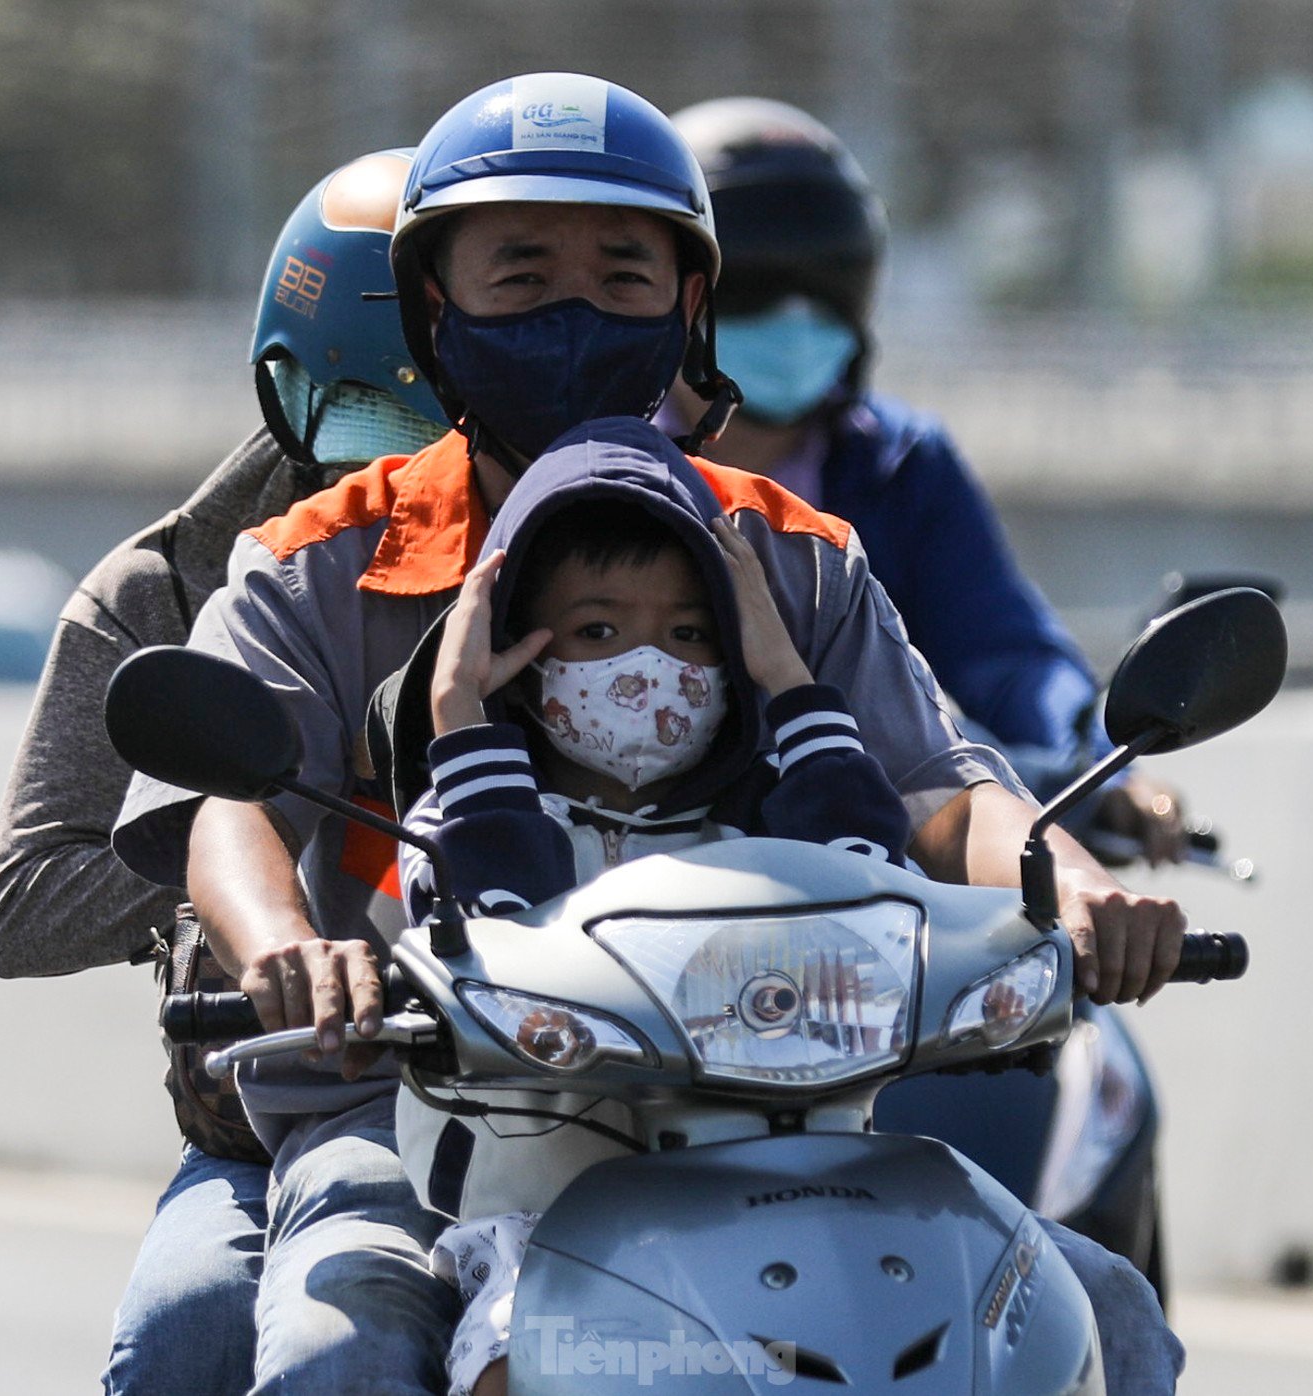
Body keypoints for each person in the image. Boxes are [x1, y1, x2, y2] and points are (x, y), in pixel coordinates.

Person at [113, 71, 1189, 1393]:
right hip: (421, 1121)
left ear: (688, 306)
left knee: (1103, 1321)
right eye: (521, 272)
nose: (573, 309)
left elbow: (947, 790)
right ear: (435, 309)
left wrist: (1080, 896)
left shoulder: (793, 556)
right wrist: (290, 954)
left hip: (775, 1119)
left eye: (622, 274)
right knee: (314, 1354)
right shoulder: (316, 561)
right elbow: (233, 805)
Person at [0, 149, 448, 1395]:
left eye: (427, 422)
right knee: (189, 1330)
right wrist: (247, 842)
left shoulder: (598, 558)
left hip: (559, 1090)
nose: (384, 466)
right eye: (352, 418)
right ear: (279, 383)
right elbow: (25, 903)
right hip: (279, 1100)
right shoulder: (166, 587)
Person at [668, 96, 1185, 860]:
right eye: (754, 283)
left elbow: (1004, 652)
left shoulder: (900, 464)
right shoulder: (599, 468)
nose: (795, 313)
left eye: (825, 281)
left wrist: (1098, 766)